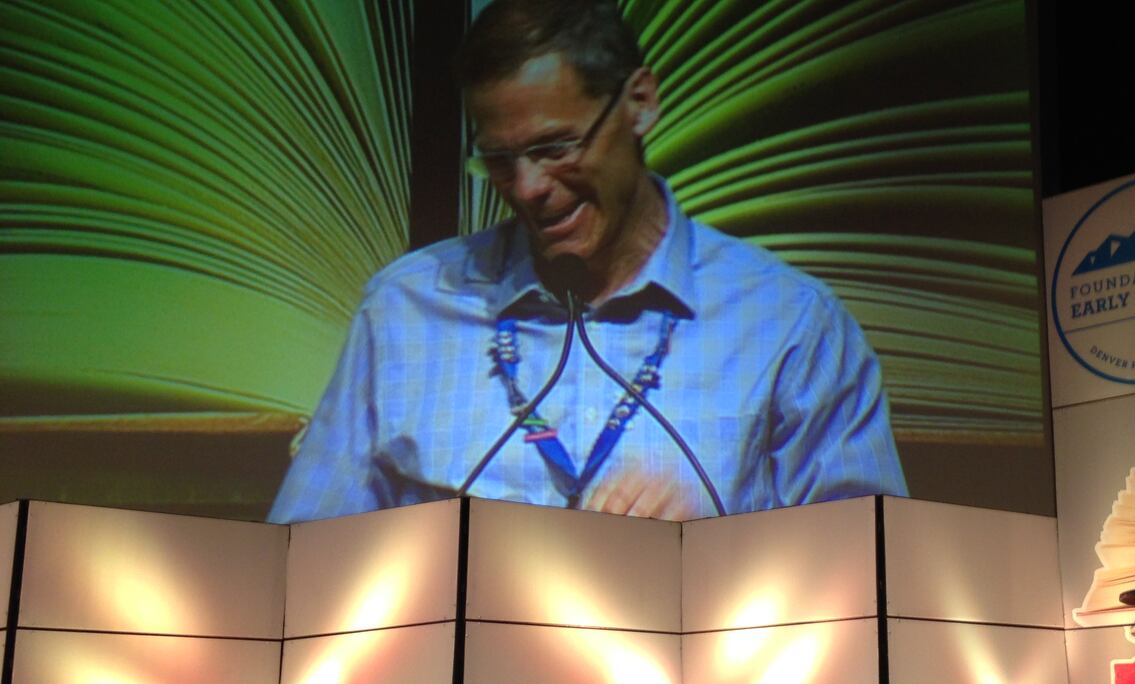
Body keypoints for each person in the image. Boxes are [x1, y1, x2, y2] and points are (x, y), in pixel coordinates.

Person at [268, 0, 905, 524]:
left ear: (640, 103)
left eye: (555, 147)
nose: (527, 187)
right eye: (498, 160)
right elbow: (300, 569)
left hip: (696, 677)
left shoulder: (792, 326)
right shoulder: (404, 310)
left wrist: (716, 554)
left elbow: (870, 577)